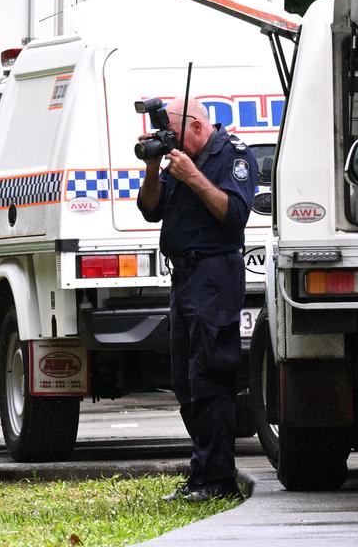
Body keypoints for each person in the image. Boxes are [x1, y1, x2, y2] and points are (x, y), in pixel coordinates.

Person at [137, 97, 258, 502]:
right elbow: (150, 210)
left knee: (210, 376)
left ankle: (218, 479)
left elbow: (235, 213)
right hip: (185, 277)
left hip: (215, 275)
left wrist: (193, 177)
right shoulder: (178, 159)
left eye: (172, 132)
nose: (168, 140)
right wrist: (154, 167)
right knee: (184, 381)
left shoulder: (233, 156)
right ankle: (202, 472)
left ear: (194, 126)